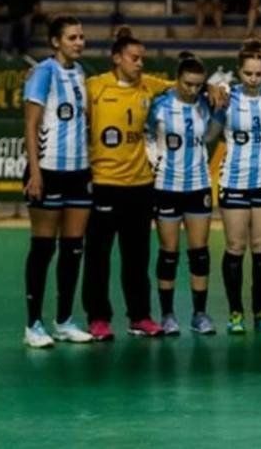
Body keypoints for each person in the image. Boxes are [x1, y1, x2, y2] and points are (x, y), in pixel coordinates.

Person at [81, 27, 169, 340]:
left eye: (142, 58)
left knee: (137, 257)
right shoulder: (94, 87)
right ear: (117, 59)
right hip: (105, 184)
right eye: (134, 58)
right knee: (98, 256)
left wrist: (214, 88)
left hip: (141, 186)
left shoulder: (149, 86)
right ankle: (98, 318)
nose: (140, 63)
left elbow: (185, 87)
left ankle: (140, 317)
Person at [21, 16, 94, 348]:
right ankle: (33, 324)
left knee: (73, 249)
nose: (78, 43)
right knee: (43, 248)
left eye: (80, 37)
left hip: (79, 172)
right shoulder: (42, 74)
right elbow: (31, 125)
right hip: (48, 171)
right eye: (71, 38)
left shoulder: (81, 74)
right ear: (55, 42)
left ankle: (64, 320)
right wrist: (34, 172)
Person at [215, 40, 261, 334]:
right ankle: (235, 313)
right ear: (239, 72)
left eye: (258, 74)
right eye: (248, 73)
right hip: (234, 181)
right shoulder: (226, 99)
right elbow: (213, 133)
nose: (253, 79)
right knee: (235, 247)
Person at [147, 54, 217, 336]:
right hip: (166, 185)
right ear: (177, 79)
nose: (192, 90)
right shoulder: (160, 106)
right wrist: (153, 160)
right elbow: (146, 134)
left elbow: (232, 98)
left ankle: (200, 314)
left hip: (198, 185)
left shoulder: (206, 104)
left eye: (198, 85)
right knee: (169, 253)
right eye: (188, 84)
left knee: (199, 253)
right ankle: (167, 314)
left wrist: (214, 89)